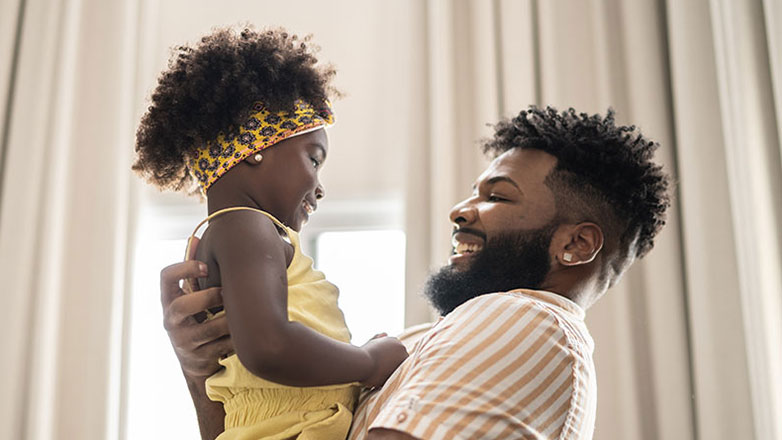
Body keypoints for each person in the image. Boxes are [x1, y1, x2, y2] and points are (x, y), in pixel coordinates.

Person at [160, 106, 671, 439]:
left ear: (576, 245)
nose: (460, 210)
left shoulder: (526, 321)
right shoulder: (432, 340)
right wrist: (204, 368)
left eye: (497, 196)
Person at [134, 27, 408, 440]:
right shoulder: (245, 226)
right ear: (255, 148)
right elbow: (269, 346)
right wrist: (366, 362)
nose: (319, 187)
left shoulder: (237, 232)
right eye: (314, 159)